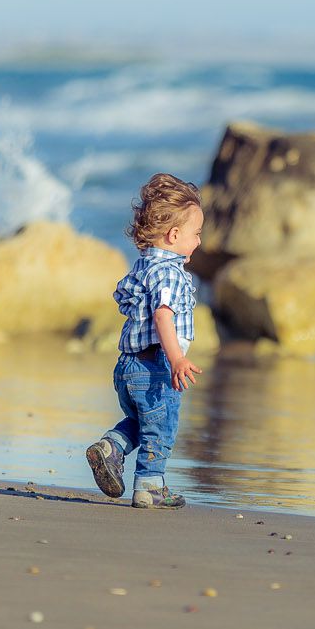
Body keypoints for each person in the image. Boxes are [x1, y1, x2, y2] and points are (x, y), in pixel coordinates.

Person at [85, 173, 204, 508]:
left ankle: (111, 447)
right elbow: (163, 316)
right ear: (175, 234)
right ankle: (150, 486)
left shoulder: (143, 267)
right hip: (155, 365)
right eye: (196, 234)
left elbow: (126, 301)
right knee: (161, 428)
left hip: (127, 367)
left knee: (142, 421)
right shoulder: (170, 272)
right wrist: (177, 358)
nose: (198, 241)